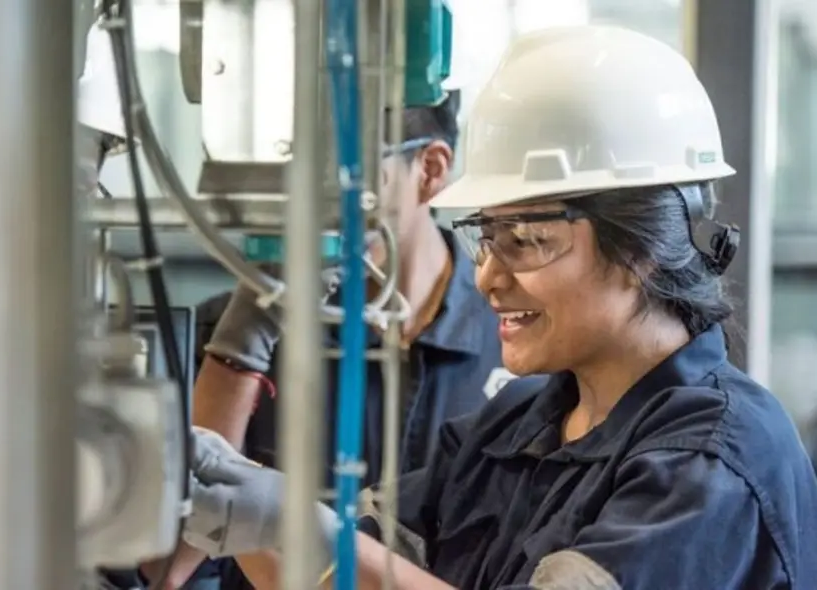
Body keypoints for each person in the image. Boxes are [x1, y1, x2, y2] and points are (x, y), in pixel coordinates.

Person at [177, 25, 817, 589]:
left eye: (528, 240)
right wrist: (228, 493)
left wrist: (300, 532)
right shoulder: (517, 424)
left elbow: (337, 560)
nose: (487, 278)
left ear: (642, 248)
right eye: (485, 238)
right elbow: (347, 566)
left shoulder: (710, 463)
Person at [130, 82, 509, 589]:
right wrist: (241, 348)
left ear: (431, 170)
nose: (318, 201)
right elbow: (163, 567)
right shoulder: (225, 335)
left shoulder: (517, 343)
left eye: (346, 173)